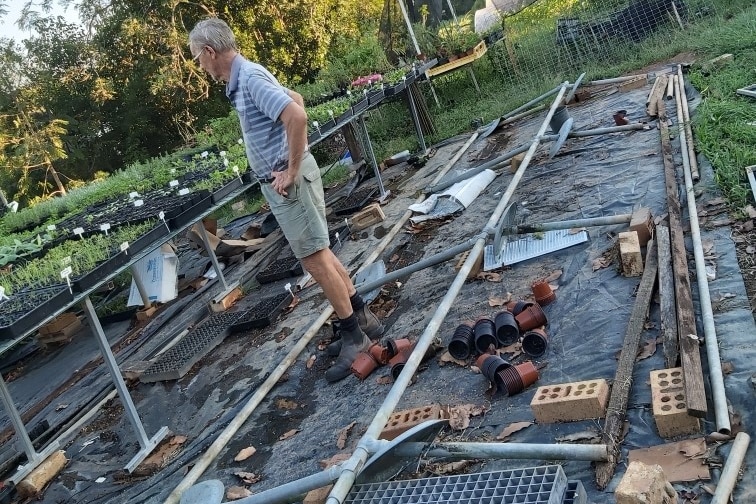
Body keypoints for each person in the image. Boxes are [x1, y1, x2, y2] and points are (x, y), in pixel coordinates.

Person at [189, 18, 383, 382]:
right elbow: (294, 98)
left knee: (315, 260)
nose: (201, 67)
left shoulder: (248, 80)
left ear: (210, 52)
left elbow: (296, 114)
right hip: (284, 183)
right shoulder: (249, 76)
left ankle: (354, 337)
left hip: (290, 183)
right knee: (321, 254)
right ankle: (361, 319)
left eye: (199, 59)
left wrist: (290, 170)